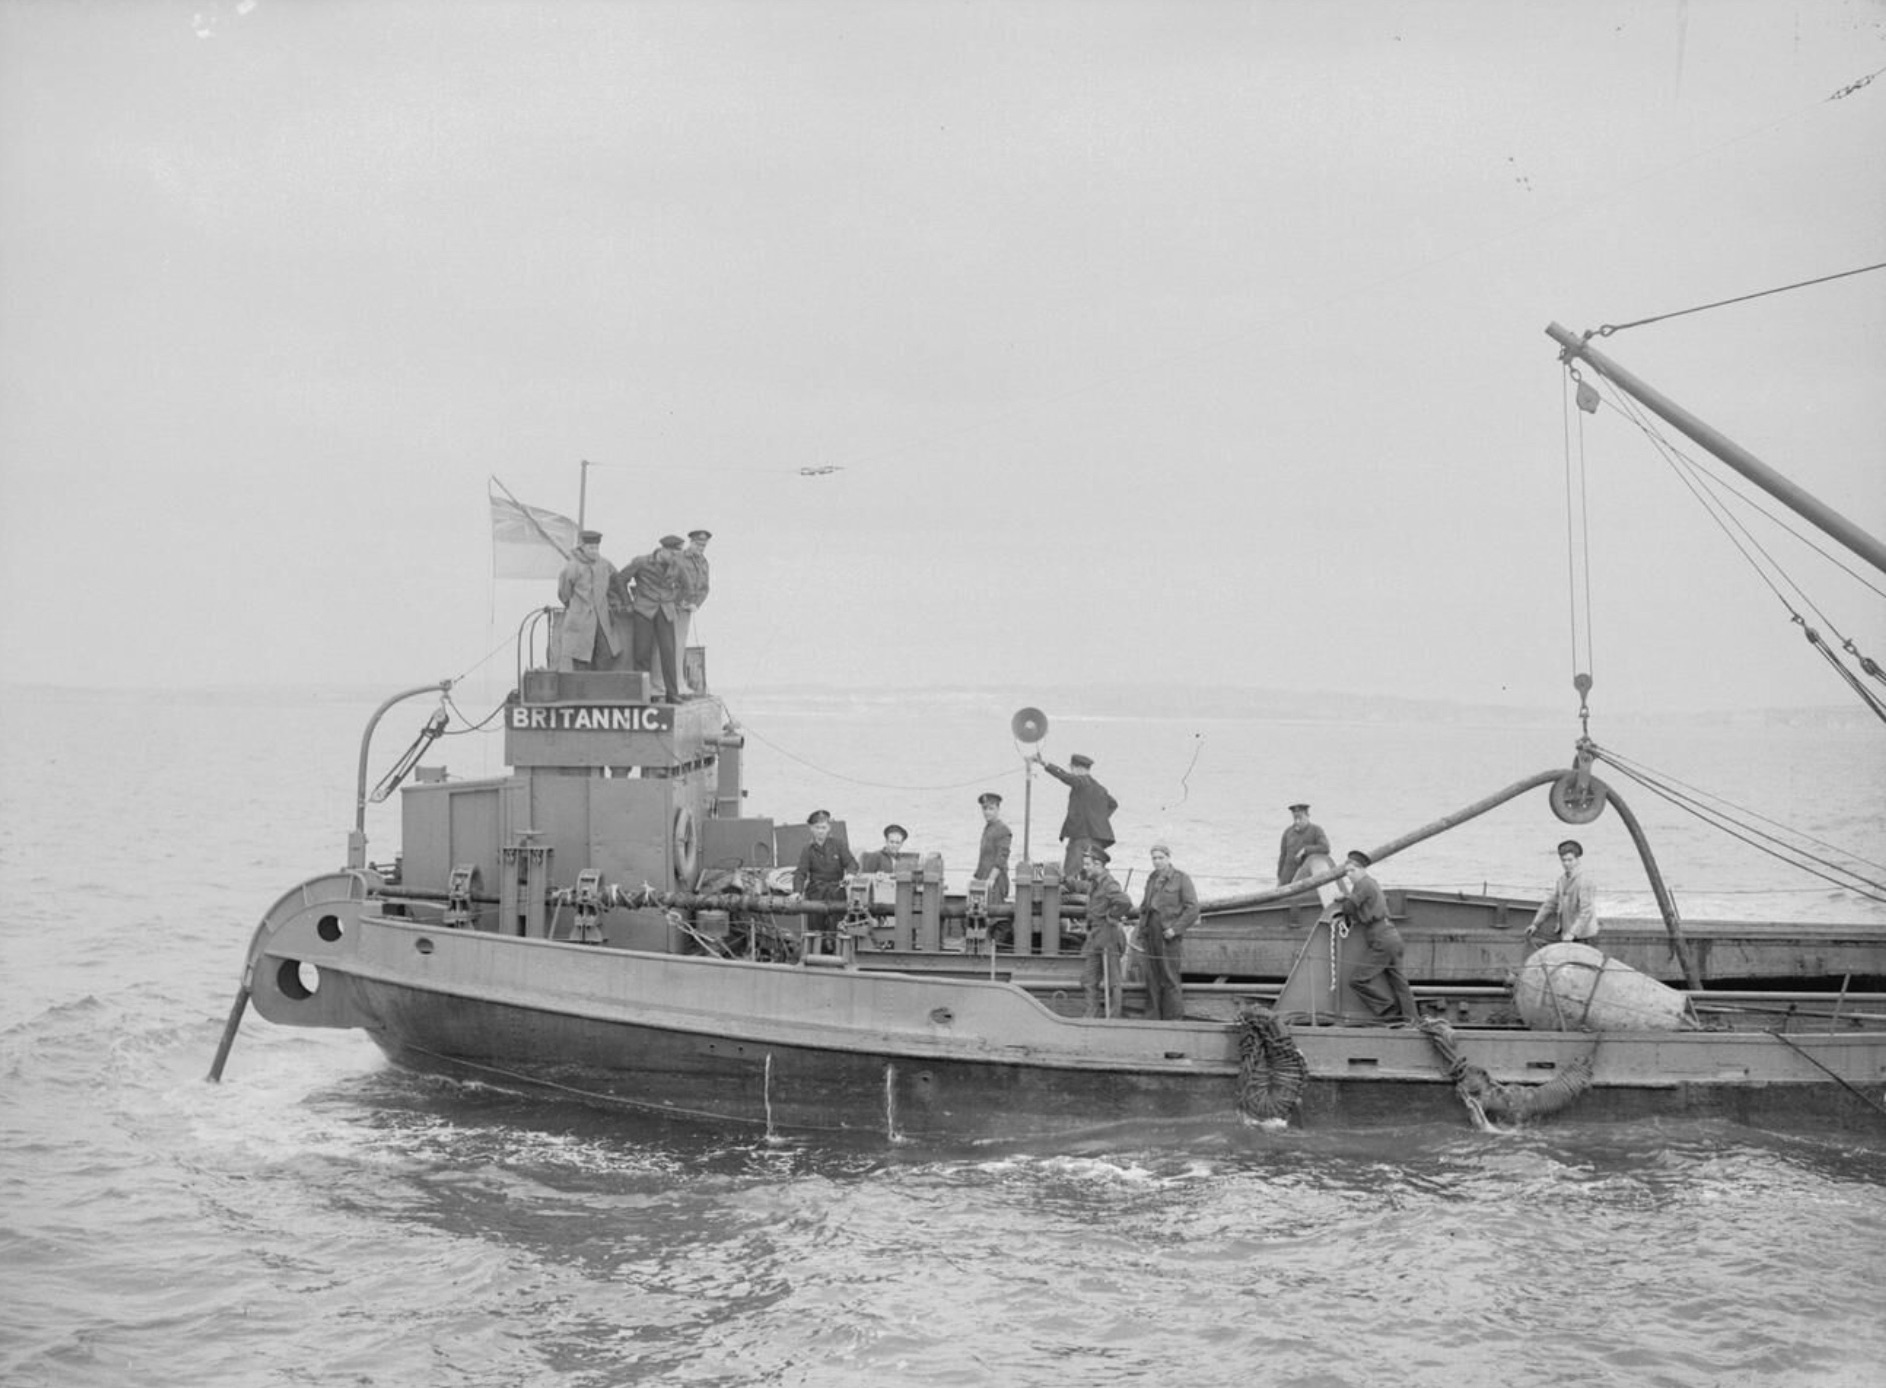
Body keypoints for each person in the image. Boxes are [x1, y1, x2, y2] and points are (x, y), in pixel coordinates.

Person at [1339, 849, 1419, 1023]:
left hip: (1381, 939)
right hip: (1392, 936)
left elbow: (1349, 908)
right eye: (1347, 872)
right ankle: (1412, 1020)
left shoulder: (1362, 884)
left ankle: (1389, 1012)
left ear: (1361, 870)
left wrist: (1343, 901)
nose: (1349, 875)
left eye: (1352, 871)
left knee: (1358, 980)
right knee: (1399, 983)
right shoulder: (1372, 883)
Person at [1137, 842, 1199, 1020]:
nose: (1157, 862)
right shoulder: (1151, 878)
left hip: (1168, 935)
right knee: (1152, 977)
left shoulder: (1181, 878)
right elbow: (1144, 907)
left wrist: (1175, 929)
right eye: (1154, 858)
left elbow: (1193, 909)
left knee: (1170, 978)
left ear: (1168, 858)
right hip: (1151, 932)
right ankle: (1153, 1017)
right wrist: (1142, 929)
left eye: (1160, 858)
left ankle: (1174, 1019)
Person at [619, 535, 685, 702]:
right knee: (642, 653)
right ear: (662, 550)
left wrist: (674, 600)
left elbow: (686, 586)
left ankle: (673, 694)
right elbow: (620, 579)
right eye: (671, 554)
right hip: (644, 611)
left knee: (669, 653)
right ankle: (642, 694)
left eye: (676, 554)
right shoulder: (641, 562)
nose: (673, 558)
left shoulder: (677, 565)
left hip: (666, 612)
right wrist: (628, 603)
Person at [1033, 752, 1118, 879]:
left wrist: (1045, 764)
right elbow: (1113, 804)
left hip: (1080, 838)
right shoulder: (1100, 789)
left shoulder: (1081, 781)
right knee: (1090, 874)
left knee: (1071, 874)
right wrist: (1098, 819)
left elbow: (1064, 776)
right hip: (1096, 839)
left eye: (1071, 768)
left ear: (1077, 768)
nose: (1071, 771)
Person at [1078, 846, 1133, 1019]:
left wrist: (1112, 917)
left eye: (1087, 864)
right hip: (1095, 935)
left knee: (1113, 981)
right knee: (1088, 979)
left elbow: (1125, 902)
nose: (1085, 867)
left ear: (1098, 864)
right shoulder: (1095, 883)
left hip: (1108, 934)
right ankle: (1091, 1015)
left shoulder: (1109, 883)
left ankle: (1114, 1017)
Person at [554, 530, 621, 671]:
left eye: (596, 548)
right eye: (591, 548)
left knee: (605, 654)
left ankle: (600, 690)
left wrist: (615, 601)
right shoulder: (572, 566)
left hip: (602, 620)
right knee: (581, 657)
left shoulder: (605, 564)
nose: (594, 551)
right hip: (580, 620)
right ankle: (583, 691)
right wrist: (575, 607)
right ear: (582, 547)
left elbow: (616, 582)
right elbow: (564, 593)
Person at [1526, 839, 1600, 945]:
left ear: (1577, 860)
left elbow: (1586, 912)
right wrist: (1535, 924)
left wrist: (1572, 933)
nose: (1566, 864)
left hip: (1584, 937)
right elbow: (1551, 904)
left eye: (1570, 860)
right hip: (1567, 936)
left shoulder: (1585, 881)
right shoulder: (1562, 880)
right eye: (1563, 860)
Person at [674, 528, 711, 696]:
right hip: (673, 607)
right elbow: (669, 581)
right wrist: (677, 600)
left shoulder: (703, 563)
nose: (701, 548)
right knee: (672, 645)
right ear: (691, 542)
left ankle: (679, 681)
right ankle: (676, 682)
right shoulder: (679, 558)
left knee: (679, 645)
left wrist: (696, 604)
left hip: (687, 610)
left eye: (704, 545)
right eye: (698, 544)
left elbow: (704, 588)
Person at [791, 810, 857, 903]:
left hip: (836, 894)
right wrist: (797, 892)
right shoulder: (808, 850)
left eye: (823, 827)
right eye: (817, 827)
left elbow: (851, 863)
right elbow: (800, 873)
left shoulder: (839, 845)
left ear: (829, 828)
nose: (820, 831)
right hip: (816, 895)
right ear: (811, 828)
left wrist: (850, 874)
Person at [1276, 802, 1331, 885]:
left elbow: (1325, 848)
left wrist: (1306, 850)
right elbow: (1283, 856)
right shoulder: (1288, 832)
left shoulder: (1316, 830)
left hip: (1305, 877)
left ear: (1307, 816)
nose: (1297, 821)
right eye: (1295, 818)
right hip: (1287, 877)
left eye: (1300, 818)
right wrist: (1279, 876)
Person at [974, 792, 1011, 904]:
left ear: (998, 809)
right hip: (983, 879)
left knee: (995, 915)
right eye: (985, 809)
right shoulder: (988, 828)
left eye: (991, 809)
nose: (987, 812)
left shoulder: (1003, 829)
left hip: (996, 881)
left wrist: (991, 879)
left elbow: (1002, 856)